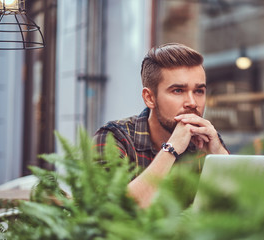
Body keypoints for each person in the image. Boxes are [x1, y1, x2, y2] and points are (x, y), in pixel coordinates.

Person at [94, 43, 229, 208]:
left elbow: (244, 209)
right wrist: (171, 149)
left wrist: (219, 154)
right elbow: (111, 210)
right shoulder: (113, 138)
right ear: (150, 98)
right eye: (178, 91)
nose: (192, 103)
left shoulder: (206, 141)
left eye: (199, 91)